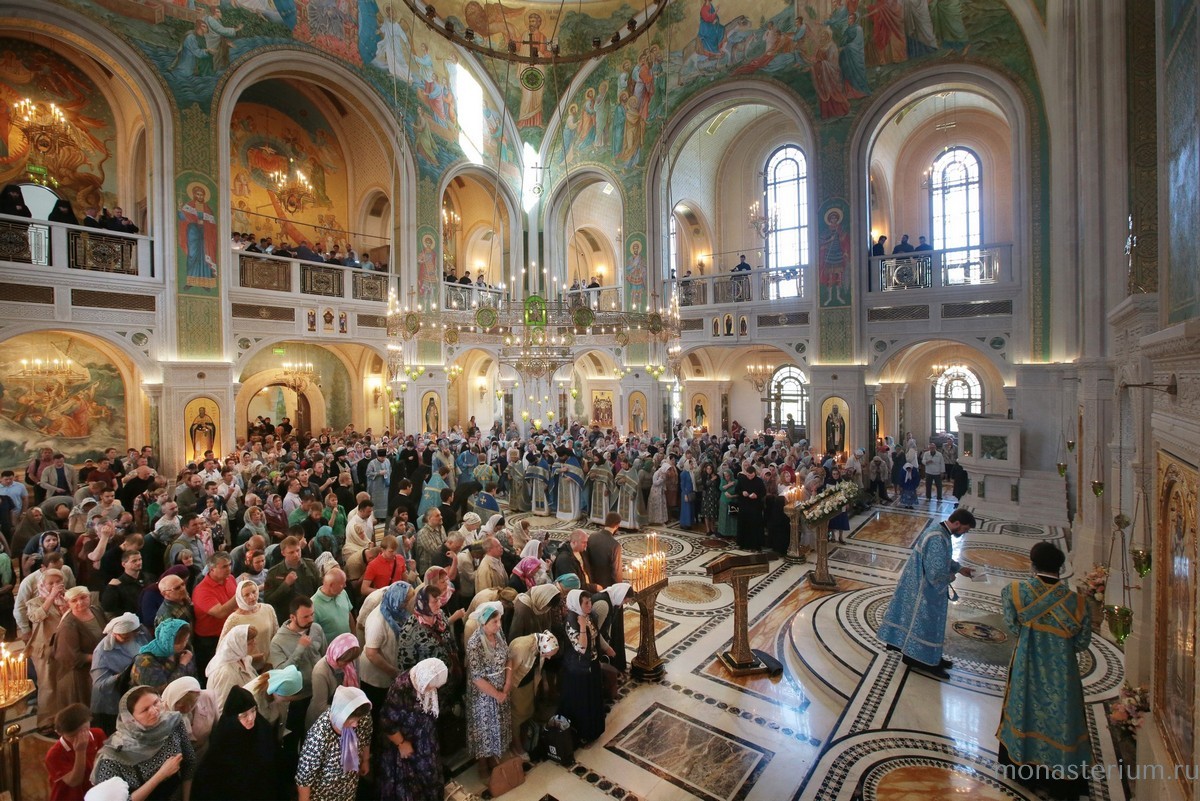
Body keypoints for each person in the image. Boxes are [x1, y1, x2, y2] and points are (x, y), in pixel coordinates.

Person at [996, 542, 1091, 799]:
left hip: (1027, 663)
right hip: (1063, 672)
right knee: (1062, 716)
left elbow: (1013, 627)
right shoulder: (1078, 603)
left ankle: (1023, 767)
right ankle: (1061, 777)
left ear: (1033, 564)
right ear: (1061, 568)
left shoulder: (1015, 592)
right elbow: (1082, 643)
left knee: (1024, 708)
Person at [877, 509, 977, 678]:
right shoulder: (937, 537)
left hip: (922, 588)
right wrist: (950, 577)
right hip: (924, 591)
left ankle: (931, 656)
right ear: (957, 523)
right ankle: (923, 660)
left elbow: (942, 559)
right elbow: (935, 574)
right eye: (965, 529)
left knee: (927, 625)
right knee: (925, 625)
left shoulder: (941, 532)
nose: (964, 533)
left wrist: (959, 568)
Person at [92, 685, 197, 801]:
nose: (154, 711)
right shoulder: (113, 756)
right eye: (145, 710)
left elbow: (189, 762)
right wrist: (160, 775)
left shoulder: (173, 723)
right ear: (130, 718)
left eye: (156, 702)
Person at [192, 686, 283, 801]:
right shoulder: (224, 736)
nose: (251, 718)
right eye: (244, 715)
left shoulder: (262, 727)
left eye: (253, 710)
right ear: (233, 717)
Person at [378, 658, 448, 801]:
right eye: (430, 687)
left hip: (426, 740)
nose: (432, 690)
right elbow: (386, 721)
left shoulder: (426, 680)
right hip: (406, 743)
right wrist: (401, 744)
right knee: (410, 787)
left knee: (430, 777)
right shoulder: (401, 689)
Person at [296, 686, 373, 801]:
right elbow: (304, 780)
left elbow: (366, 737)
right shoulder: (319, 736)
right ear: (340, 716)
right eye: (351, 721)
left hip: (349, 787)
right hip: (324, 794)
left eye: (357, 720)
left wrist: (365, 760)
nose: (355, 725)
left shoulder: (362, 717)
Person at [465, 602, 512, 773]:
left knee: (497, 725)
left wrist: (507, 682)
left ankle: (493, 755)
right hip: (483, 696)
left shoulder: (499, 634)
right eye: (495, 622)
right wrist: (497, 695)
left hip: (501, 689)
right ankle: (482, 763)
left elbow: (509, 657)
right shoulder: (474, 643)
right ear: (483, 623)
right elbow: (477, 678)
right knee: (483, 729)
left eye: (499, 620)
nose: (499, 625)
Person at [558, 589, 606, 743]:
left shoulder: (588, 616)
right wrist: (583, 627)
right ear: (577, 604)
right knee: (583, 703)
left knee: (594, 698)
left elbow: (595, 639)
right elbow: (581, 648)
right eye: (586, 603)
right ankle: (584, 735)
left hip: (592, 664)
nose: (590, 605)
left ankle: (595, 730)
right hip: (579, 670)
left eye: (590, 602)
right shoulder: (571, 621)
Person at [92, 613, 150, 733]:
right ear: (114, 634)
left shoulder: (140, 635)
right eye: (123, 637)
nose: (128, 638)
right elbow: (99, 684)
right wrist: (122, 675)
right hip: (111, 705)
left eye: (131, 635)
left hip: (134, 698)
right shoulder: (102, 652)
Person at [27, 567, 70, 728]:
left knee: (65, 683)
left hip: (65, 647)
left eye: (58, 582)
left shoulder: (69, 598)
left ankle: (64, 718)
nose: (55, 585)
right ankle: (46, 722)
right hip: (45, 649)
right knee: (48, 686)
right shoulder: (35, 602)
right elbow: (35, 617)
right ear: (43, 584)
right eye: (50, 583)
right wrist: (51, 598)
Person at [55, 586, 109, 711]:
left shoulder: (96, 610)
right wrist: (98, 657)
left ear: (89, 597)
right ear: (68, 604)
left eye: (83, 598)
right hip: (80, 676)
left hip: (101, 666)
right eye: (74, 600)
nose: (80, 602)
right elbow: (70, 657)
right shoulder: (68, 626)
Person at [46, 703, 107, 801]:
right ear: (59, 733)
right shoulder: (54, 754)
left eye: (84, 731)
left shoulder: (98, 734)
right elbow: (74, 781)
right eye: (73, 735)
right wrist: (80, 751)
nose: (81, 738)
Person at [306, 632, 361, 730]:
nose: (348, 664)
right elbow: (320, 706)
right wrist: (347, 712)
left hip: (346, 716)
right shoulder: (320, 671)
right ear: (336, 654)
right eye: (344, 661)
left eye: (350, 661)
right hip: (324, 720)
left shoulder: (352, 661)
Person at [219, 579, 277, 669]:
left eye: (254, 592)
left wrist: (272, 660)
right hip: (246, 668)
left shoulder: (268, 609)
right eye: (246, 595)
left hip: (270, 663)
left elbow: (276, 635)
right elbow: (222, 649)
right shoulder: (233, 619)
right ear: (240, 597)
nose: (252, 597)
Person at [160, 676, 219, 759]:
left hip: (206, 756)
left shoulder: (208, 698)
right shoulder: (162, 715)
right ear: (172, 701)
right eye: (182, 706)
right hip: (180, 762)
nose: (187, 709)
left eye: (192, 704)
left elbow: (217, 728)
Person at [205, 624, 258, 713]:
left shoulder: (241, 658)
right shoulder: (225, 673)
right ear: (238, 645)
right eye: (250, 643)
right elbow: (223, 709)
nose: (255, 644)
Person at [131, 619, 194, 691]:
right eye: (179, 642)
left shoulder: (180, 651)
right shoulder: (146, 663)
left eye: (186, 640)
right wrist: (182, 665)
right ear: (168, 641)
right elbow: (165, 690)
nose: (184, 644)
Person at [735, 464, 766, 550]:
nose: (750, 477)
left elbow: (763, 492)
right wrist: (742, 492)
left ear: (755, 473)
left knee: (755, 526)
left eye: (752, 476)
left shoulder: (759, 481)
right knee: (743, 525)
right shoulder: (742, 479)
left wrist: (757, 495)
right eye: (748, 475)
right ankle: (742, 543)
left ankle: (756, 545)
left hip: (755, 507)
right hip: (744, 506)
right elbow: (737, 490)